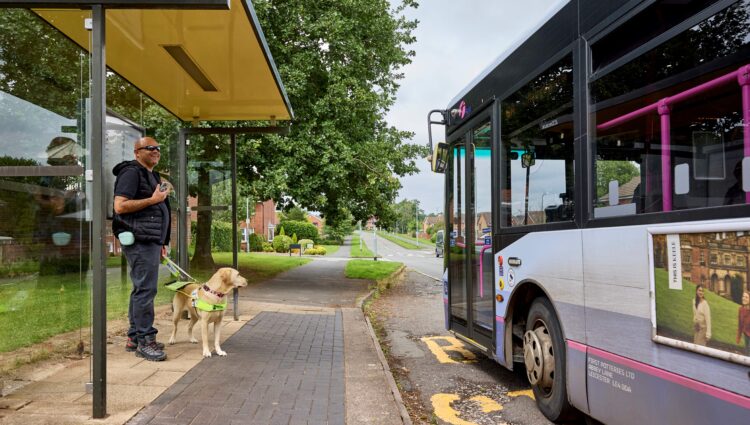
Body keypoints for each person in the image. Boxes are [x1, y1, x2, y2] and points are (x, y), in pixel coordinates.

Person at [112, 137, 171, 361]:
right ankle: (146, 341)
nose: (156, 150)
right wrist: (152, 198)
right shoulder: (131, 172)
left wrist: (162, 242)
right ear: (137, 152)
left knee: (141, 288)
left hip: (150, 241)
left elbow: (158, 210)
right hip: (139, 240)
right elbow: (120, 206)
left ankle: (134, 337)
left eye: (158, 148)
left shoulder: (152, 175)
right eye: (150, 148)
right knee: (146, 290)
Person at [737, 291, 750, 356]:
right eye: (743, 296)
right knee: (747, 354)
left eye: (746, 297)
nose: (744, 298)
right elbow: (740, 325)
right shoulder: (741, 309)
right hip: (746, 335)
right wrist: (738, 337)